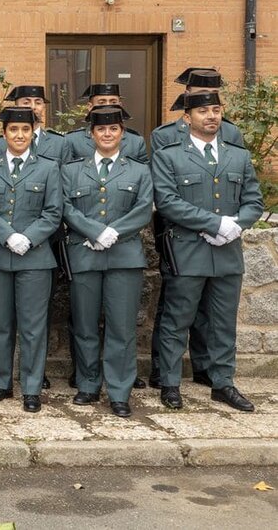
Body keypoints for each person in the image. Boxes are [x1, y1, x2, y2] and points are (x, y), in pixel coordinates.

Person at [152, 91, 263, 412]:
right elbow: (168, 202)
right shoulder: (169, 155)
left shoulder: (237, 156)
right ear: (187, 118)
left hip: (228, 255)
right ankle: (170, 384)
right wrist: (214, 224)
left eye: (216, 110)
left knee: (223, 324)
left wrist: (237, 224)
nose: (212, 116)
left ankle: (223, 383)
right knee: (177, 320)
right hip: (187, 251)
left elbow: (254, 201)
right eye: (203, 111)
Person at [148, 68, 242, 388]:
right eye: (199, 93)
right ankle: (163, 370)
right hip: (177, 232)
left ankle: (204, 366)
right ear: (186, 96)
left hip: (222, 234)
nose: (209, 110)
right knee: (174, 305)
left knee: (210, 309)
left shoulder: (231, 134)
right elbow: (163, 190)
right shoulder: (164, 135)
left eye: (214, 94)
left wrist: (227, 225)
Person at [61, 106, 153, 418]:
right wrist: (94, 231)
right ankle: (88, 385)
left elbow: (143, 209)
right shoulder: (72, 170)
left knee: (121, 328)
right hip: (85, 255)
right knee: (85, 326)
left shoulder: (139, 171)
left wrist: (114, 231)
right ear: (92, 134)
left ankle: (119, 391)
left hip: (124, 257)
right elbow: (66, 207)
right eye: (101, 130)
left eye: (113, 129)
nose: (107, 134)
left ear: (122, 134)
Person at [0, 107, 62, 413]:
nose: (19, 136)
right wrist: (7, 235)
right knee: (0, 324)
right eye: (13, 130)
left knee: (32, 326)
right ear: (4, 134)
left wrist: (28, 237)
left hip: (36, 257)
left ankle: (31, 387)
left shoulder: (48, 168)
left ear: (33, 133)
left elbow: (54, 211)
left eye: (25, 130)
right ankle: (1, 383)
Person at [63, 84, 148, 163]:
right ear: (89, 106)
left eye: (113, 102)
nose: (108, 106)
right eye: (101, 102)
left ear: (120, 106)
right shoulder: (72, 141)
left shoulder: (136, 142)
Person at [0, 85, 70, 164]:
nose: (33, 107)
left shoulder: (59, 143)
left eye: (38, 103)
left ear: (44, 107)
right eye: (26, 103)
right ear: (16, 106)